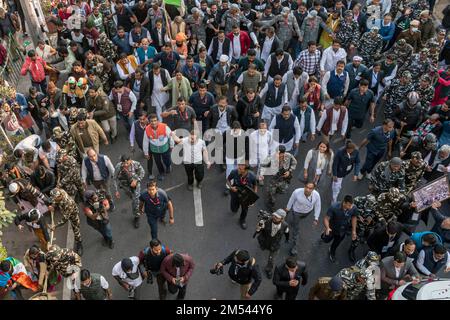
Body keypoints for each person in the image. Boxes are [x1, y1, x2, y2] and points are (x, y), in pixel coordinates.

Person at [286, 182, 321, 256]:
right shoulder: (297, 192)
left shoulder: (316, 195)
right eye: (307, 187)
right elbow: (291, 200)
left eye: (310, 188)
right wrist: (287, 209)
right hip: (296, 212)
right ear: (304, 186)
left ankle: (295, 222)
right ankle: (294, 247)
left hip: (307, 212)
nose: (308, 190)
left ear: (313, 189)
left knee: (300, 220)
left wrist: (316, 218)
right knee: (296, 229)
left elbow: (318, 206)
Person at [255, 209, 290, 278]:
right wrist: (259, 226)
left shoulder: (285, 225)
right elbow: (258, 230)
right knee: (262, 246)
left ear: (282, 219)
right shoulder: (266, 221)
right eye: (274, 215)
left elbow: (287, 232)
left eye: (277, 217)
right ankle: (263, 246)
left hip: (275, 245)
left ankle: (268, 269)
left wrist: (287, 239)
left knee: (272, 259)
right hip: (265, 240)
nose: (274, 217)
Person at [260, 145, 297, 211]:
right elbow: (263, 165)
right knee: (271, 192)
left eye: (280, 154)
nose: (278, 155)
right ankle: (271, 204)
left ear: (284, 153)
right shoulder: (271, 157)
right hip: (274, 178)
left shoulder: (288, 156)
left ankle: (275, 192)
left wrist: (289, 171)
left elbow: (294, 162)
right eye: (277, 153)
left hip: (284, 178)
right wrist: (261, 174)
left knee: (283, 190)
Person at [49, 188, 83, 256]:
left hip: (72, 214)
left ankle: (79, 244)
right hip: (64, 211)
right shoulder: (59, 192)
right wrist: (53, 205)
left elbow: (65, 219)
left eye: (55, 198)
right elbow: (54, 201)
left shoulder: (68, 203)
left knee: (76, 230)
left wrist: (55, 226)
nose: (54, 200)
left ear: (60, 196)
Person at [323, 195, 358, 263]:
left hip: (342, 231)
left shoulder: (353, 208)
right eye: (349, 205)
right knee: (326, 240)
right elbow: (326, 219)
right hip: (332, 229)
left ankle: (332, 251)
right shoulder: (334, 207)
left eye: (351, 205)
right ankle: (323, 234)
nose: (350, 207)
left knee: (336, 243)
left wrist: (354, 231)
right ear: (344, 202)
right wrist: (327, 228)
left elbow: (354, 217)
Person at [143, 113, 174, 181]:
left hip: (165, 148)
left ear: (158, 121)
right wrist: (146, 153)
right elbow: (145, 142)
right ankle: (161, 172)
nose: (153, 122)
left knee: (167, 159)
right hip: (154, 149)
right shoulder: (147, 130)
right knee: (158, 162)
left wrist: (172, 145)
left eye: (155, 120)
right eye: (151, 121)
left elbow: (170, 137)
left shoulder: (165, 127)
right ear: (149, 122)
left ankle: (168, 166)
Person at [114, 154, 145, 220]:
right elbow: (114, 178)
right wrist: (116, 190)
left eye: (127, 163)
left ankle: (136, 216)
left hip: (135, 186)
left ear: (130, 160)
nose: (125, 165)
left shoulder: (136, 164)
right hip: (125, 186)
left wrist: (136, 180)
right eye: (123, 163)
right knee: (131, 195)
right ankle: (136, 199)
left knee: (135, 200)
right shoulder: (119, 166)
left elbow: (142, 173)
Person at [227, 163, 258, 230]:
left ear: (246, 170)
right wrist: (231, 187)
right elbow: (228, 180)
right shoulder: (234, 172)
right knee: (234, 209)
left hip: (246, 195)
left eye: (240, 169)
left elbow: (255, 185)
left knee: (245, 209)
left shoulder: (252, 176)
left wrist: (253, 198)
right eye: (238, 167)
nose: (238, 169)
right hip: (235, 193)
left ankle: (242, 220)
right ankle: (235, 208)